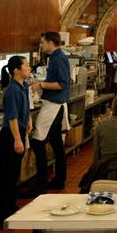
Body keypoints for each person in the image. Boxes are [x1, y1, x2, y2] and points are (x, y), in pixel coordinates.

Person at [0, 56, 32, 226]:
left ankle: (10, 206)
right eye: (27, 65)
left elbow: (24, 109)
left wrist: (29, 120)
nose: (29, 68)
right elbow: (12, 117)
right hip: (10, 135)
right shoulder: (12, 90)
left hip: (19, 132)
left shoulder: (23, 87)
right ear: (17, 70)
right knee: (6, 176)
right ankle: (1, 213)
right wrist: (18, 139)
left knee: (13, 173)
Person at [30, 31, 70, 193]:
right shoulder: (55, 57)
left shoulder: (58, 58)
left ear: (51, 43)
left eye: (42, 42)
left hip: (54, 104)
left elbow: (62, 84)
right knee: (56, 143)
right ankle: (59, 179)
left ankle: (41, 184)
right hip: (56, 103)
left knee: (38, 141)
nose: (41, 45)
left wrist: (41, 85)